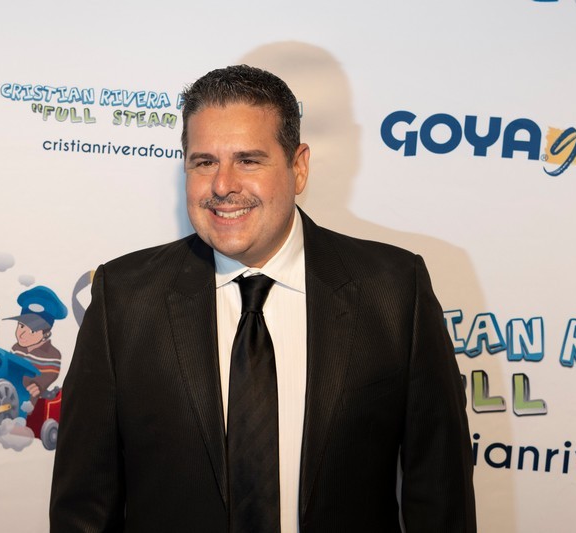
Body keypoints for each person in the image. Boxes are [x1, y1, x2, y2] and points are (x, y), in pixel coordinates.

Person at [50, 65, 476, 532]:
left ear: (299, 167)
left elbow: (440, 499)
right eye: (203, 162)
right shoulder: (124, 298)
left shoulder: (394, 290)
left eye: (248, 160)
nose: (222, 185)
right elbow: (84, 508)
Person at [5, 285, 67, 404]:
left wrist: (39, 385)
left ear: (46, 333)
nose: (22, 334)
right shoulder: (16, 348)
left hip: (28, 400)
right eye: (21, 326)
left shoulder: (53, 354)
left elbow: (49, 375)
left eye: (32, 331)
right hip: (8, 392)